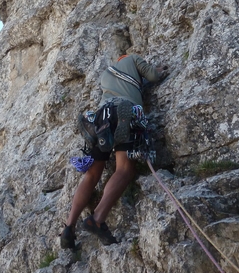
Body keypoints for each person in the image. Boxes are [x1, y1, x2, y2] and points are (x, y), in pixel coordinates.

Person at [60, 53, 167, 249]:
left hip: (102, 118)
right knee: (124, 169)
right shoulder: (133, 59)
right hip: (124, 112)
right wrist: (157, 71)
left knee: (92, 175)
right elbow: (152, 76)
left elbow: (129, 87)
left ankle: (68, 228)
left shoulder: (106, 75)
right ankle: (97, 218)